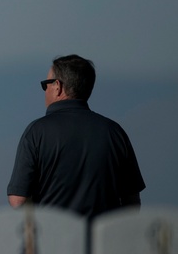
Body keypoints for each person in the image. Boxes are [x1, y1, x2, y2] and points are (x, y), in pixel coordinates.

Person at [7, 55, 145, 218]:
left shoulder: (36, 132)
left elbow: (18, 200)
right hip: (102, 239)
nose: (45, 90)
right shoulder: (114, 133)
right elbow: (132, 201)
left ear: (57, 86)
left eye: (46, 85)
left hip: (53, 237)